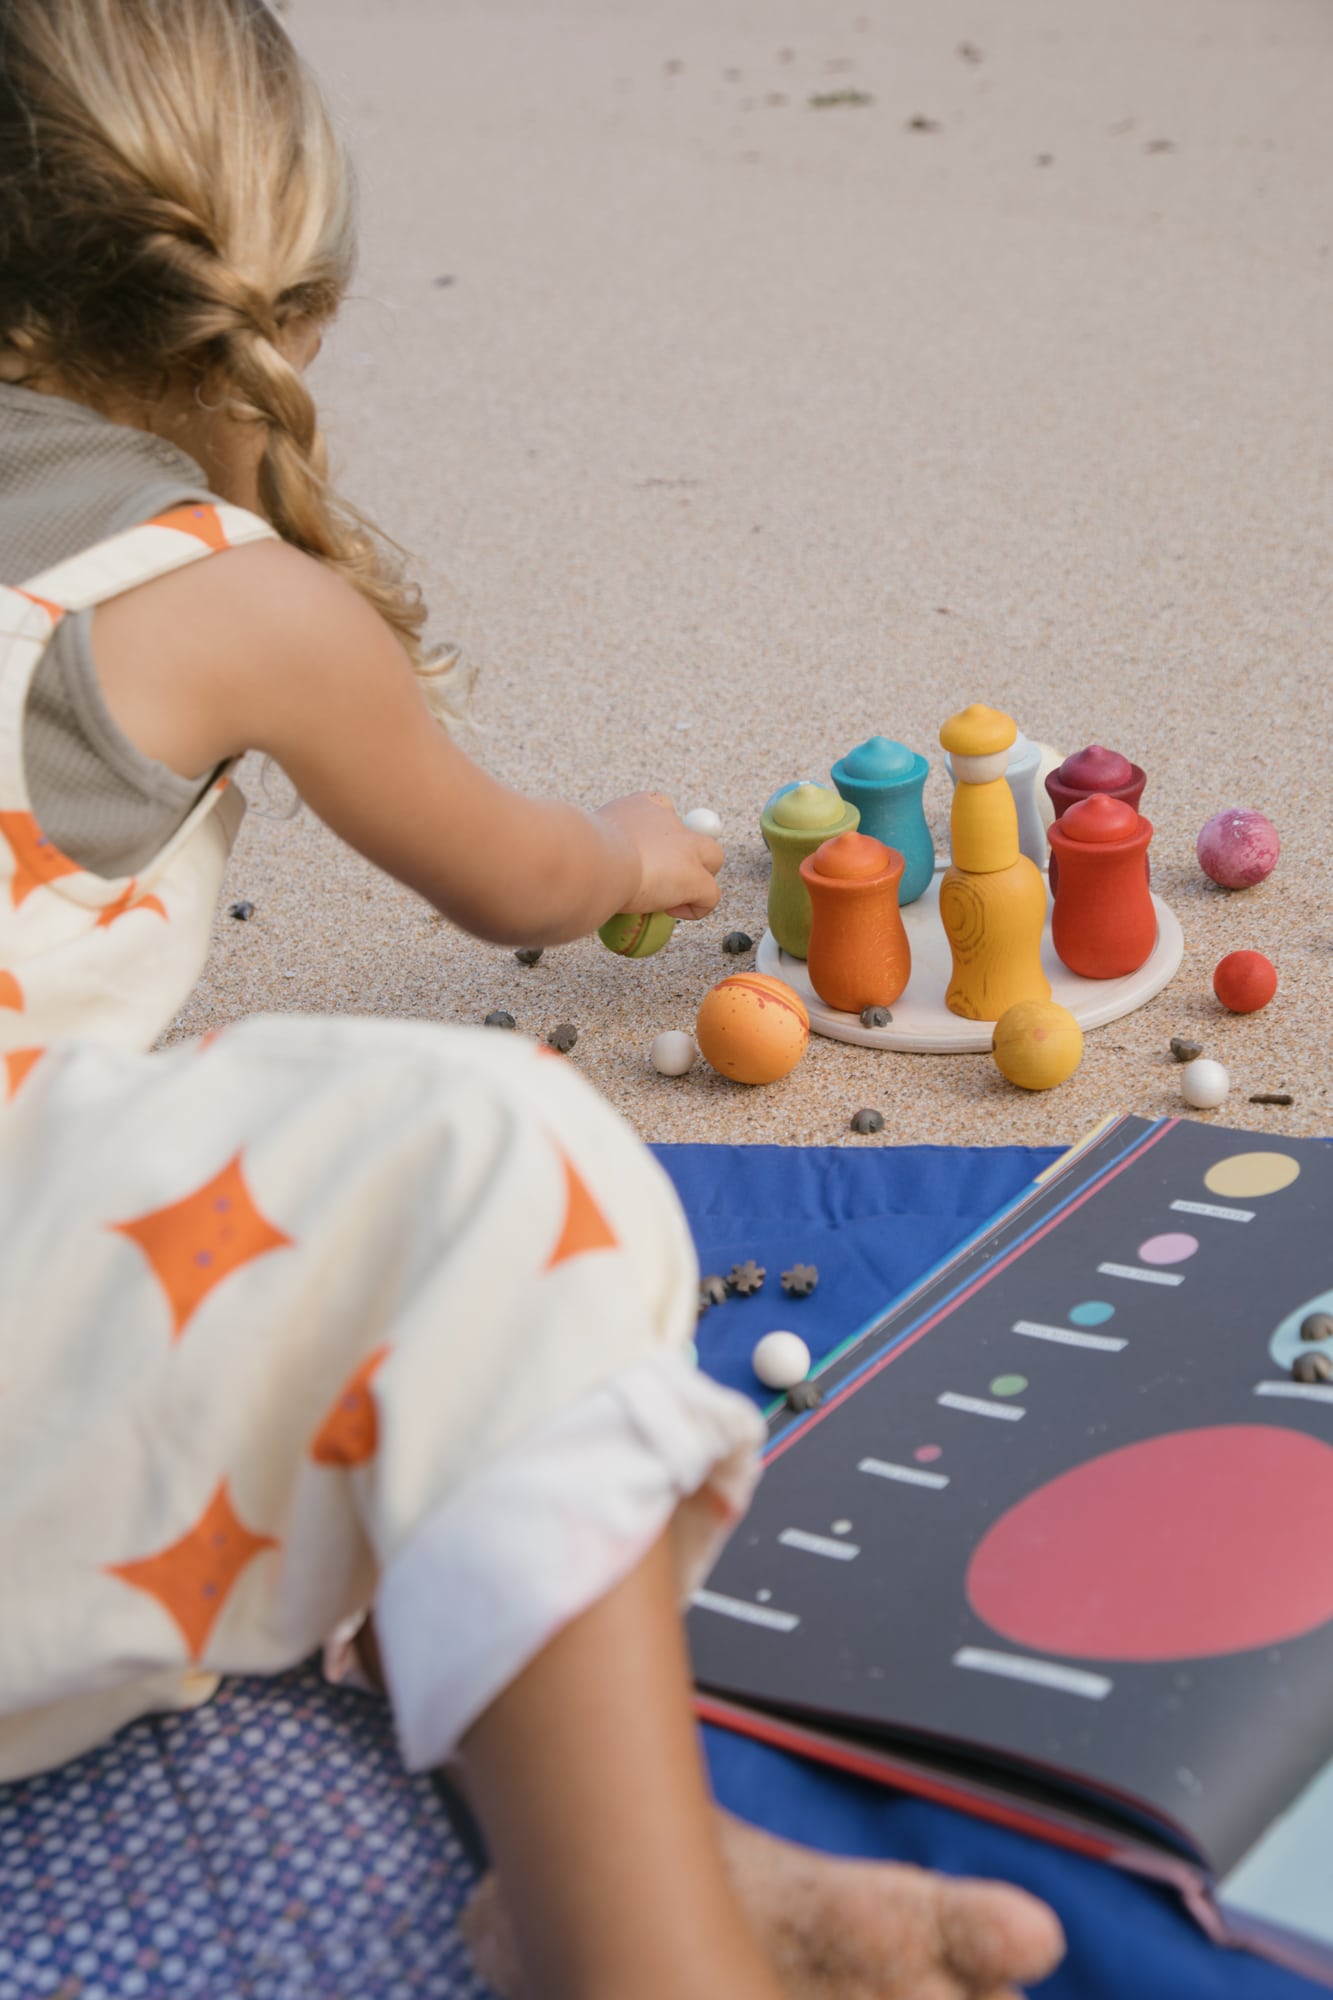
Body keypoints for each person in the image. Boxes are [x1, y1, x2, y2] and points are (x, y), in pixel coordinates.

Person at [0, 4, 1065, 1995]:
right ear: (280, 300)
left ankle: (646, 1851)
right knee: (487, 1160)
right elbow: (511, 876)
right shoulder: (222, 594)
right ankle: (654, 1957)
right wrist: (636, 853)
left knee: (302, 1223)